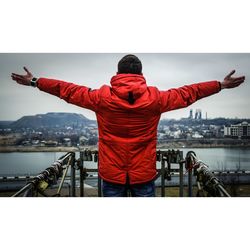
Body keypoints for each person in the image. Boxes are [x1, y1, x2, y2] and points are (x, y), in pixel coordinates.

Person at [11, 54, 245, 197]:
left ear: (117, 73)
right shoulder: (155, 99)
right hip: (143, 173)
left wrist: (35, 81)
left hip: (111, 173)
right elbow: (188, 93)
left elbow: (67, 90)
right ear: (141, 74)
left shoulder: (101, 98)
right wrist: (220, 85)